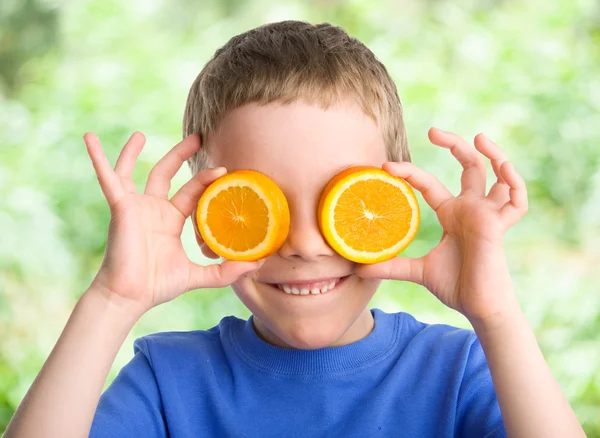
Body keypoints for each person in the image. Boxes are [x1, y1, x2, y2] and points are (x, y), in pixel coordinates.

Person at [5, 20, 585, 438]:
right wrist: (112, 300)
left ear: (390, 209)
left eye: (341, 200)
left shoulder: (457, 371)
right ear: (209, 218)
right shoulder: (168, 382)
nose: (305, 245)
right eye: (262, 205)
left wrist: (497, 313)